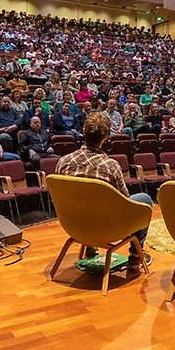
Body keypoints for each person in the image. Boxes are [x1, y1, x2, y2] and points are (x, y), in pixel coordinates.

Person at [55, 112, 153, 270]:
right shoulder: (110, 166)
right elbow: (126, 201)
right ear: (107, 137)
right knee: (145, 200)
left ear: (84, 132)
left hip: (73, 224)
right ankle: (135, 257)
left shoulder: (63, 162)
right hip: (106, 229)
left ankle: (90, 247)